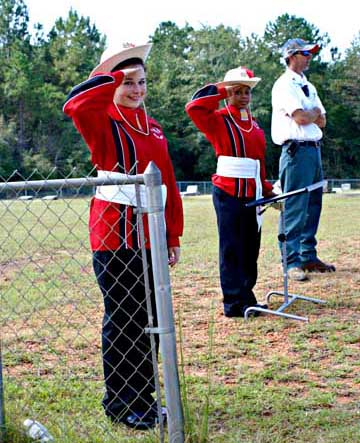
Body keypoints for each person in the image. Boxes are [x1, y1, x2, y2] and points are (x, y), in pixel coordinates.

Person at [63, 43, 183, 430]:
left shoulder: (155, 127)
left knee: (151, 319)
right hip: (114, 235)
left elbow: (169, 184)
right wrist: (113, 72)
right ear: (113, 83)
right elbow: (76, 105)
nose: (136, 89)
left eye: (142, 82)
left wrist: (173, 234)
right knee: (124, 319)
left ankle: (144, 397)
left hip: (151, 233)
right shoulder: (104, 120)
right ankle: (120, 401)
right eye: (128, 82)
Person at [185, 66, 274, 318]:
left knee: (250, 247)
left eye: (247, 91)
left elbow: (259, 160)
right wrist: (221, 90)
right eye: (237, 91)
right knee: (232, 248)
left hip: (253, 189)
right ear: (227, 93)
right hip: (229, 191)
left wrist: (267, 189)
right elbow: (194, 107)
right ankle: (234, 303)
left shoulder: (254, 123)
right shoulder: (218, 118)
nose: (244, 96)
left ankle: (248, 297)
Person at [271, 38, 336, 281]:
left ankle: (308, 255)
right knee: (295, 207)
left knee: (313, 206)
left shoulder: (307, 84)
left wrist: (312, 114)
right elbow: (300, 117)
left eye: (310, 53)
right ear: (291, 56)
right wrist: (312, 113)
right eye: (305, 53)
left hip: (313, 149)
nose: (309, 57)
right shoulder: (284, 85)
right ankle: (291, 262)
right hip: (296, 151)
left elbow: (322, 120)